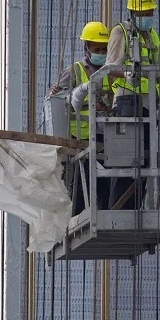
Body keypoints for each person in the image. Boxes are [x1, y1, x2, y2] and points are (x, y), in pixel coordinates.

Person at [103, 0, 160, 210]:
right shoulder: (120, 32)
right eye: (143, 14)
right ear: (132, 13)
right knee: (125, 160)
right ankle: (118, 210)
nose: (147, 17)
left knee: (145, 160)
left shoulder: (152, 36)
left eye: (150, 13)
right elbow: (109, 68)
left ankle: (134, 208)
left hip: (147, 104)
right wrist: (127, 74)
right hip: (126, 101)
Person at [48, 21, 113, 215]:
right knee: (81, 187)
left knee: (106, 185)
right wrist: (58, 93)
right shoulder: (74, 71)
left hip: (106, 137)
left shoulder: (113, 71)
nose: (101, 52)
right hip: (81, 140)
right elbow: (53, 102)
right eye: (97, 48)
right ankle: (77, 216)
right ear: (87, 48)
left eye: (104, 48)